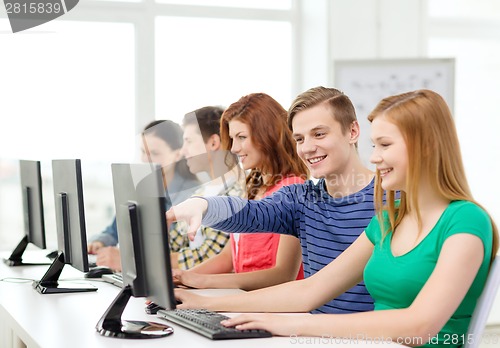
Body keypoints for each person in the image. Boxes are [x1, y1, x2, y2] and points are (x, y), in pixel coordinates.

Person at [177, 89, 499, 347]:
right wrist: (201, 300)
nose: (374, 157)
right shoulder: (388, 217)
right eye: (299, 138)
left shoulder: (455, 218)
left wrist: (292, 324)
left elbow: (420, 324)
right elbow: (308, 289)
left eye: (384, 144)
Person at [167, 86, 376, 313]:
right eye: (299, 138)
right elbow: (249, 213)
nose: (307, 148)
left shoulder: (395, 199)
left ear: (353, 131)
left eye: (319, 134)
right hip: (313, 333)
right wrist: (203, 205)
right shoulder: (300, 199)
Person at [173, 93, 308, 291]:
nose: (234, 148)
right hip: (246, 301)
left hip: (276, 308)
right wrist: (183, 278)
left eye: (242, 137)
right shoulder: (252, 188)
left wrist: (202, 282)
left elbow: (284, 274)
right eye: (232, 138)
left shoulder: (294, 188)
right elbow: (229, 258)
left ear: (268, 135)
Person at [87, 119, 200, 270]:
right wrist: (99, 243)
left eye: (154, 153)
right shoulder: (140, 187)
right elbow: (114, 231)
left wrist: (125, 258)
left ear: (178, 154)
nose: (145, 159)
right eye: (143, 151)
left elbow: (170, 249)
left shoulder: (192, 195)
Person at [169, 106, 246, 270]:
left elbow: (208, 256)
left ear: (213, 142)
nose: (183, 151)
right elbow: (173, 242)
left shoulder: (241, 193)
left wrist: (148, 261)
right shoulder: (200, 193)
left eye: (188, 141)